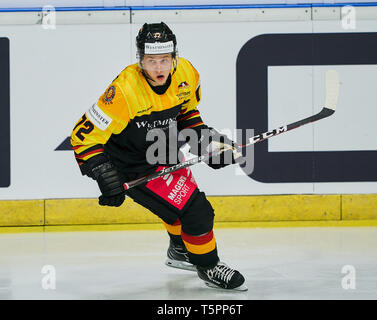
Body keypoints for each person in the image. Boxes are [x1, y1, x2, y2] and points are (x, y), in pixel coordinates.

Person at [70, 22, 247, 291]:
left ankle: (179, 249)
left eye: (165, 60)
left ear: (174, 57)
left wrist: (208, 143)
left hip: (162, 149)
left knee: (178, 208)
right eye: (151, 61)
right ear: (140, 59)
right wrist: (104, 174)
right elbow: (83, 137)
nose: (159, 68)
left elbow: (187, 115)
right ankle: (208, 265)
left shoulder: (187, 74)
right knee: (197, 211)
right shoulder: (124, 90)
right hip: (129, 165)